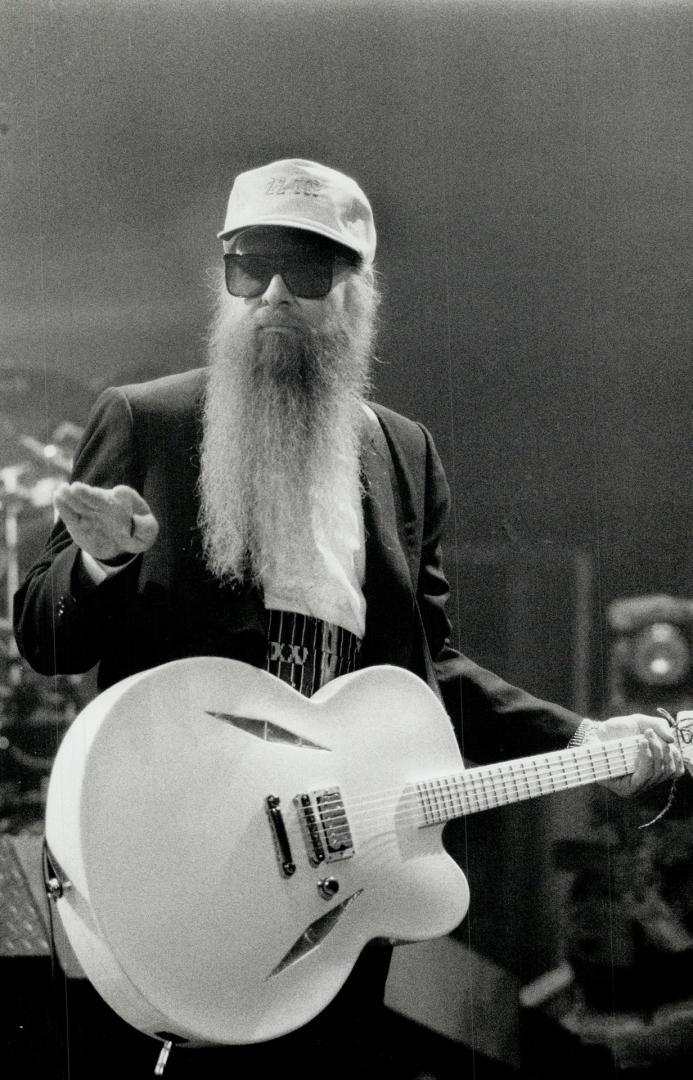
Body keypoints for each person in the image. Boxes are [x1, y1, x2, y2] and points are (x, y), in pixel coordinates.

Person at [13, 159, 683, 1079]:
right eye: (251, 266)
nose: (277, 294)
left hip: (334, 879)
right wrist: (103, 560)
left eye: (311, 269)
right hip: (175, 868)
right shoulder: (149, 421)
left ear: (358, 292)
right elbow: (46, 640)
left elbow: (430, 672)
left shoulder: (401, 454)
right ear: (225, 280)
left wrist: (582, 739)